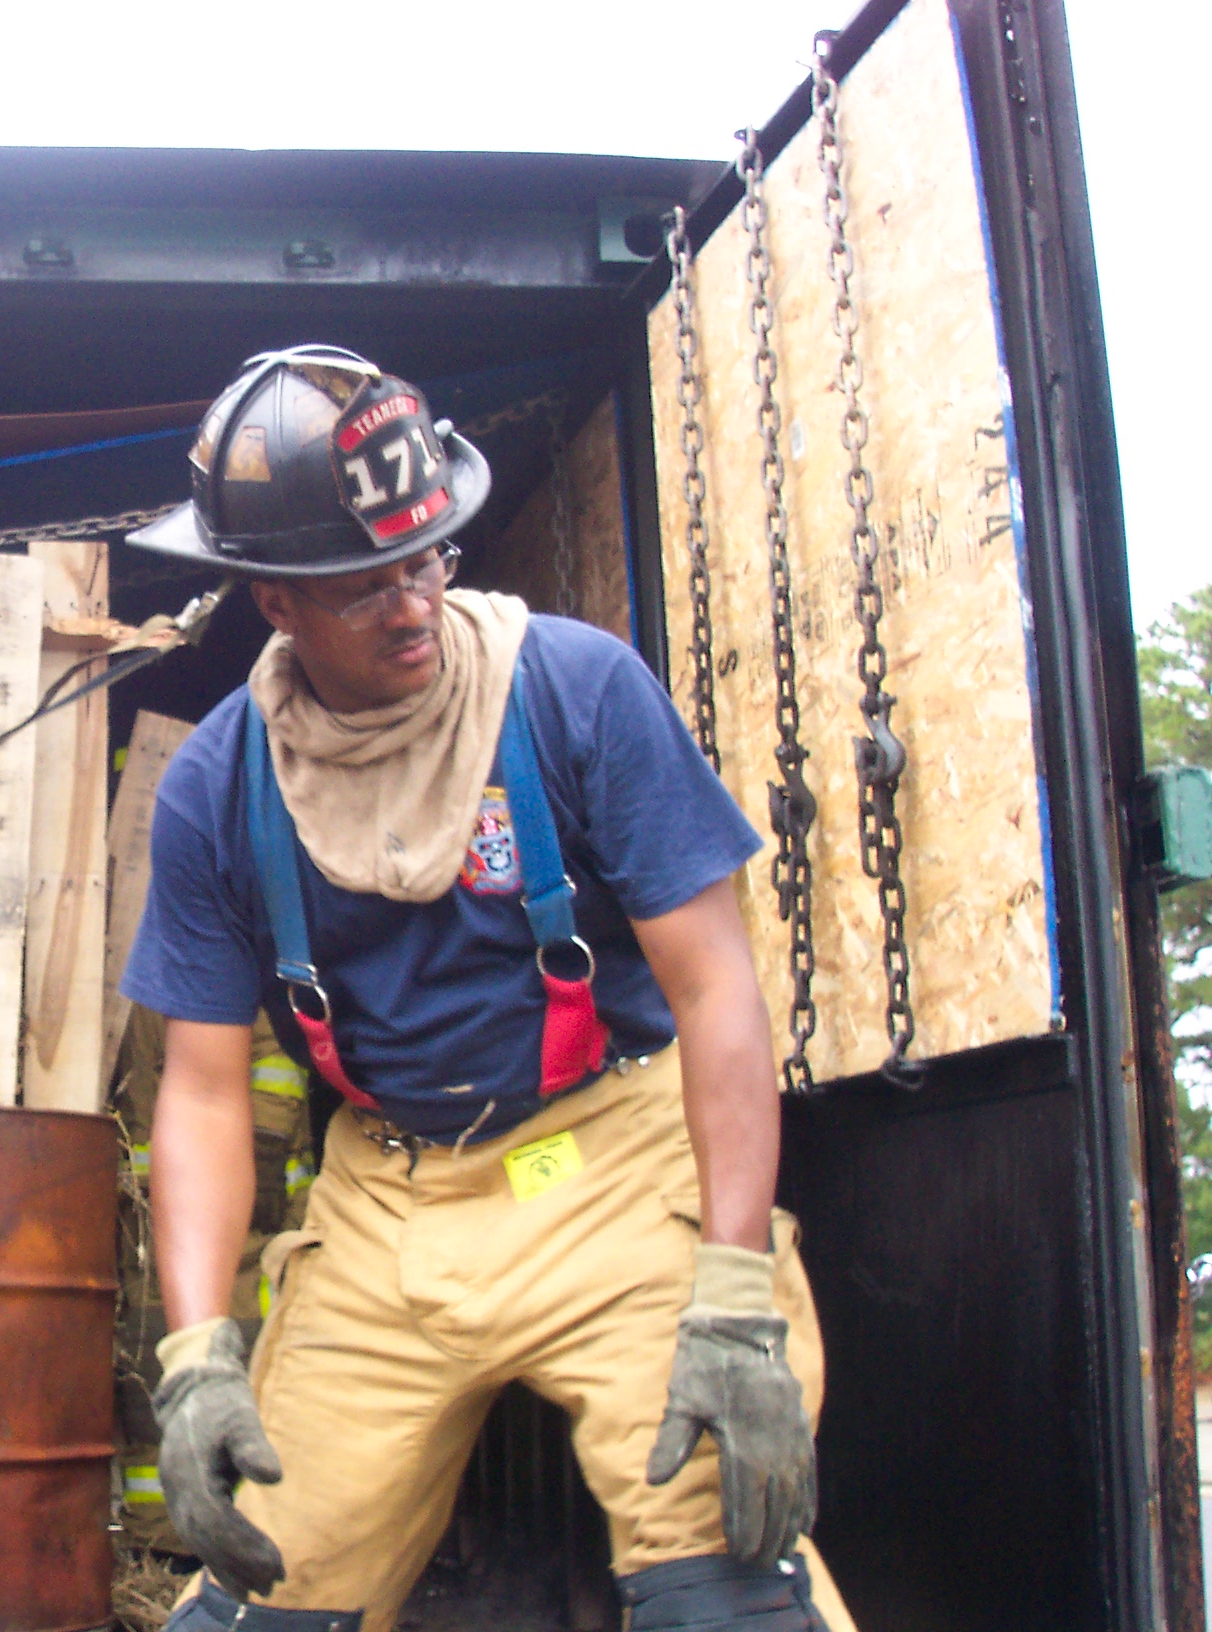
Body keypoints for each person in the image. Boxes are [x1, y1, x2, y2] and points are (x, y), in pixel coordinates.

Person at [115, 345, 853, 1632]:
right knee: (261, 1593)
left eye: (426, 559)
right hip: (391, 1204)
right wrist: (195, 1360)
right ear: (274, 601)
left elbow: (717, 993)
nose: (412, 604)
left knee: (725, 1582)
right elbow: (205, 1092)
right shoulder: (219, 789)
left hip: (618, 1162)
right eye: (365, 585)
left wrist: (735, 1295)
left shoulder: (573, 688)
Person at [113, 1004, 316, 1553]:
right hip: (207, 1209)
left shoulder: (158, 988)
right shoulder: (221, 979)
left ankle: (179, 1537)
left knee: (189, 1358)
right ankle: (186, 1537)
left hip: (183, 1211)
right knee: (193, 1363)